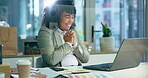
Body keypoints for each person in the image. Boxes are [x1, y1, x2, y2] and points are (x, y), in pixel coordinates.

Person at [37, 0, 89, 67]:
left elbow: (86, 58)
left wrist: (75, 45)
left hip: (76, 70)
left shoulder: (73, 31)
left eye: (72, 17)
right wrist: (68, 44)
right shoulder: (45, 32)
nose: (70, 21)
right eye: (67, 17)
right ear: (56, 17)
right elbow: (51, 60)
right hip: (57, 73)